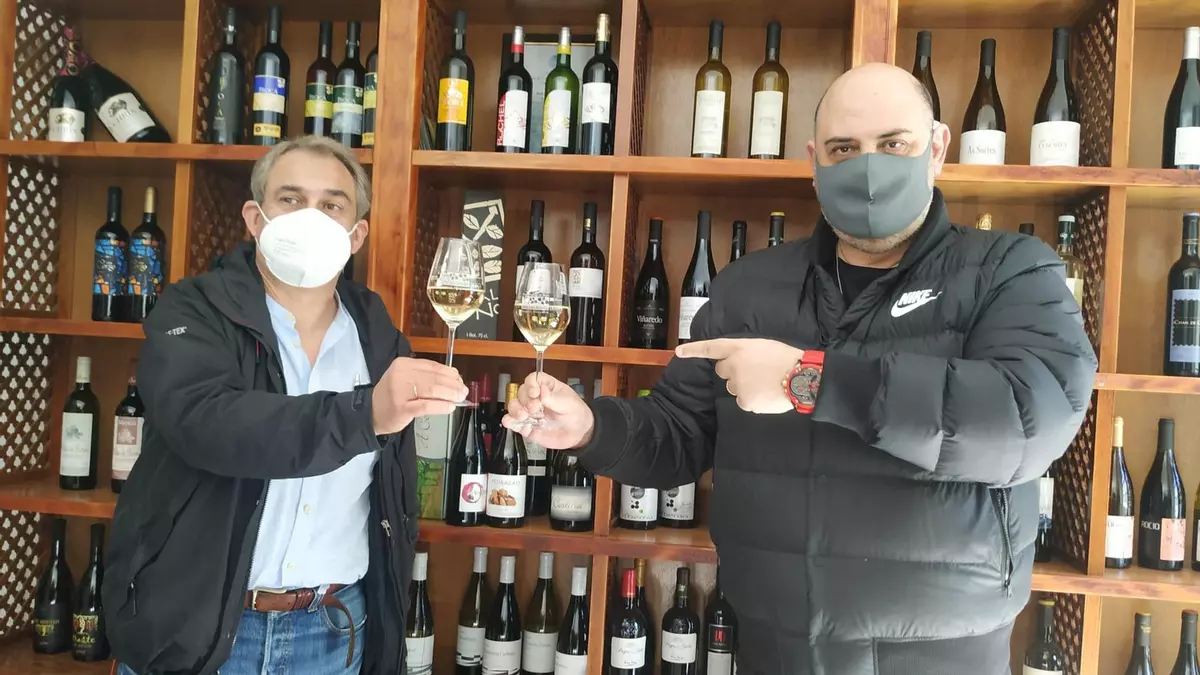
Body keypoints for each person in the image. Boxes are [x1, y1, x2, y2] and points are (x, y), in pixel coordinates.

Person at [504, 63, 1098, 674]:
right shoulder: (746, 289)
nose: (869, 168)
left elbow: (1029, 420)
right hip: (773, 646)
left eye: (894, 144)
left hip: (941, 652)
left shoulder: (1010, 270)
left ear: (938, 148)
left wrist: (808, 379)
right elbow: (678, 432)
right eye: (845, 149)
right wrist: (590, 428)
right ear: (815, 162)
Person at [102, 135, 467, 675]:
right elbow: (207, 424)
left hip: (334, 631)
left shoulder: (377, 336)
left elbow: (391, 491)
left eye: (332, 205)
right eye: (291, 199)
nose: (310, 217)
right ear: (256, 219)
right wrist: (363, 413)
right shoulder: (193, 310)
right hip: (200, 631)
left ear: (356, 235)